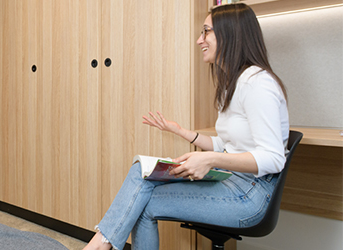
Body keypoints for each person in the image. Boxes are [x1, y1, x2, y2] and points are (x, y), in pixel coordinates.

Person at [84, 3, 289, 250]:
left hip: (250, 195)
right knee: (141, 174)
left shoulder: (258, 84)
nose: (198, 40)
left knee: (142, 202)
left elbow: (274, 158)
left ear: (230, 34)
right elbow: (228, 144)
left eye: (206, 32)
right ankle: (99, 245)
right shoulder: (232, 85)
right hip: (231, 181)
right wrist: (181, 132)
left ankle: (97, 246)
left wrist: (211, 160)